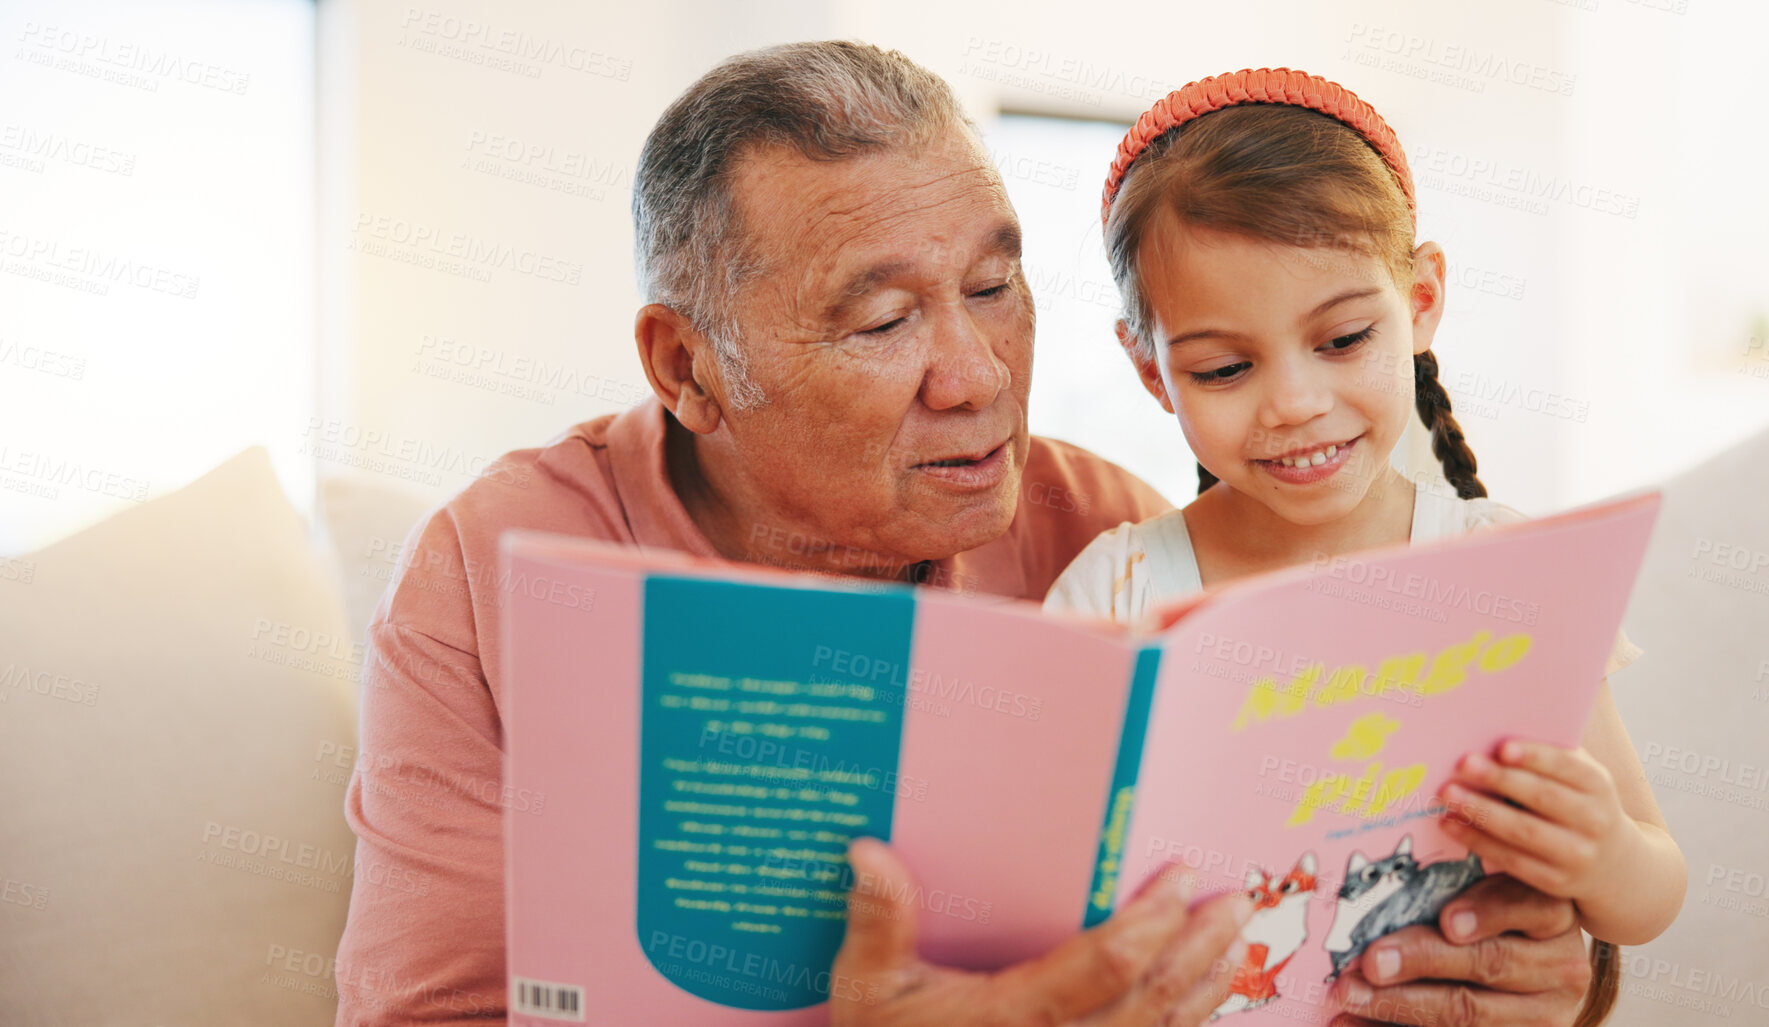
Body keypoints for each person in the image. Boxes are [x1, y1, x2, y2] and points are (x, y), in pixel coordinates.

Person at [333, 43, 1609, 1026]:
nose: (979, 376)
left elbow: (1373, 850)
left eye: (996, 289)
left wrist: (1546, 960)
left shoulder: (1107, 538)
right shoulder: (495, 568)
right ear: (688, 366)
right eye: (883, 322)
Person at [1044, 68, 1688, 1024]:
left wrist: (1602, 853)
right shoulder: (1113, 590)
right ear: (1152, 371)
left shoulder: (1502, 572)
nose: (1294, 402)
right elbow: (1035, 892)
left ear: (1419, 300)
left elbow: (1650, 891)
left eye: (1343, 339)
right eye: (1224, 367)